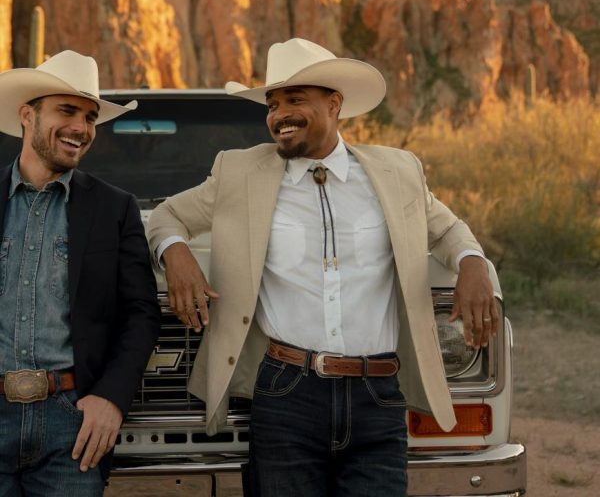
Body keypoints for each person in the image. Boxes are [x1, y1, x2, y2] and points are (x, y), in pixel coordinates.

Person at [147, 37, 498, 496]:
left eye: (295, 100)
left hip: (379, 394)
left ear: (334, 104)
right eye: (273, 105)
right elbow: (165, 216)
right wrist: (177, 256)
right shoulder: (240, 173)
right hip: (286, 391)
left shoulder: (396, 172)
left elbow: (449, 230)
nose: (279, 115)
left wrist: (473, 263)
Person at [0, 50, 161, 496]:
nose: (82, 128)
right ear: (27, 116)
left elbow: (141, 314)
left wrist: (111, 398)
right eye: (67, 111)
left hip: (72, 425)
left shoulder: (115, 208)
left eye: (90, 117)